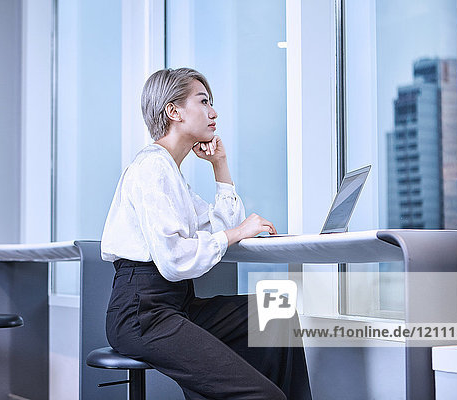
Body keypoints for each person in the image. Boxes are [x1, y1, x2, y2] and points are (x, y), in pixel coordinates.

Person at [101, 67, 312, 399]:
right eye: (204, 101)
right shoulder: (151, 168)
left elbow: (224, 225)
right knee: (263, 395)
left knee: (277, 314)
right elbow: (174, 260)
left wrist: (220, 164)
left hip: (175, 304)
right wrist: (237, 232)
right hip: (143, 313)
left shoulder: (171, 174)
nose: (214, 112)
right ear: (173, 111)